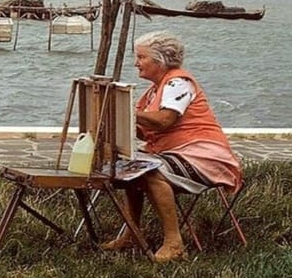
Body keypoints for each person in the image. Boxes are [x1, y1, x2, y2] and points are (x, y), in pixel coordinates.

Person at [101, 29, 242, 262]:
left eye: (141, 57)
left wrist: (128, 113)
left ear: (160, 60)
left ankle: (174, 243)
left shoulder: (178, 82)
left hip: (205, 155)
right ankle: (132, 233)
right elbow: (144, 129)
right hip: (178, 152)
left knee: (150, 171)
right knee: (130, 167)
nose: (136, 63)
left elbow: (166, 119)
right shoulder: (152, 92)